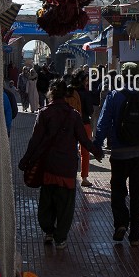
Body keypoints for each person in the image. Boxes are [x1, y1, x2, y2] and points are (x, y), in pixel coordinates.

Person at [19, 78, 101, 249]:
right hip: (67, 167)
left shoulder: (44, 113)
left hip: (48, 165)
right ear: (65, 94)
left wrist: (26, 160)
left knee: (47, 201)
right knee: (65, 205)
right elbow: (84, 140)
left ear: (50, 93)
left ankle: (49, 231)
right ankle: (60, 238)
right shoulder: (74, 115)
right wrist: (97, 151)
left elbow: (35, 141)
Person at [93, 64, 139, 246]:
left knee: (118, 191)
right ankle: (135, 235)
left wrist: (97, 146)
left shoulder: (114, 96)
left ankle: (121, 223)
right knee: (138, 193)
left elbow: (103, 123)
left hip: (119, 153)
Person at [70, 69, 95, 186]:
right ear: (84, 80)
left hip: (70, 124)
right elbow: (90, 111)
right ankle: (84, 178)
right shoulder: (86, 93)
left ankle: (70, 174)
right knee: (85, 152)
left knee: (69, 149)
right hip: (84, 124)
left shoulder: (70, 92)